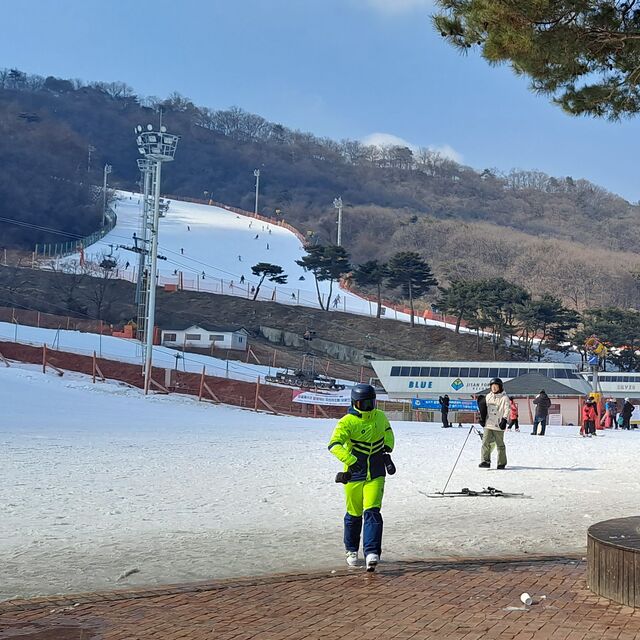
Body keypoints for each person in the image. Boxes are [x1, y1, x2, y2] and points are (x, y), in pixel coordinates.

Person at [328, 383, 395, 572]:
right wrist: (351, 459)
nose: (368, 407)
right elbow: (334, 445)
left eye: (371, 402)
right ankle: (351, 550)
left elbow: (388, 432)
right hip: (354, 474)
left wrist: (387, 448)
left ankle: (372, 552)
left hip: (376, 473)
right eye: (364, 403)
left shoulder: (380, 416)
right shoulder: (347, 421)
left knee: (372, 511)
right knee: (354, 515)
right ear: (355, 403)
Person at [479, 377, 509, 469]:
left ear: (500, 387)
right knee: (485, 442)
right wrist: (482, 419)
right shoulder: (488, 396)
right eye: (492, 386)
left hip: (498, 424)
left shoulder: (504, 398)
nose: (494, 388)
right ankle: (485, 461)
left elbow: (507, 409)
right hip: (488, 423)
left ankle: (501, 462)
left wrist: (504, 420)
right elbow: (484, 409)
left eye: (496, 386)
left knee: (500, 444)